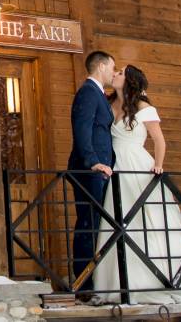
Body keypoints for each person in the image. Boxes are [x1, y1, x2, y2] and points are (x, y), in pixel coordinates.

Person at [93, 64, 181, 304]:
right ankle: (121, 281)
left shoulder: (143, 107)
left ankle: (157, 279)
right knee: (119, 219)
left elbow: (159, 140)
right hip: (116, 164)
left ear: (130, 80)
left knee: (148, 218)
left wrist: (159, 166)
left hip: (138, 163)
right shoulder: (109, 105)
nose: (116, 74)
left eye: (121, 72)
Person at [67, 50, 116, 294]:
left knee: (96, 222)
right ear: (101, 66)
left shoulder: (99, 94)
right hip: (90, 170)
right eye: (111, 68)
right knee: (89, 221)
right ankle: (83, 282)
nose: (112, 72)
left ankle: (94, 277)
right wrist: (92, 161)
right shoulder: (88, 92)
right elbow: (82, 127)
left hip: (101, 169)